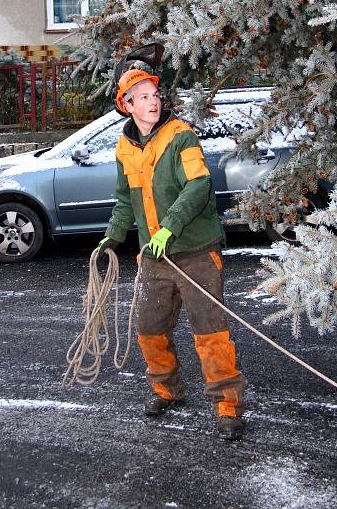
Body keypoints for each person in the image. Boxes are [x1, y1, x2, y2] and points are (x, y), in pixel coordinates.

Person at [98, 68, 246, 440]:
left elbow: (198, 186)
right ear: (127, 105)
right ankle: (166, 389)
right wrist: (112, 237)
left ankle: (228, 406)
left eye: (154, 95)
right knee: (149, 328)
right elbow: (124, 200)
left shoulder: (181, 137)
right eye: (143, 97)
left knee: (210, 331)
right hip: (154, 255)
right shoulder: (125, 148)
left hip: (196, 251)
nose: (153, 101)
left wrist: (170, 226)